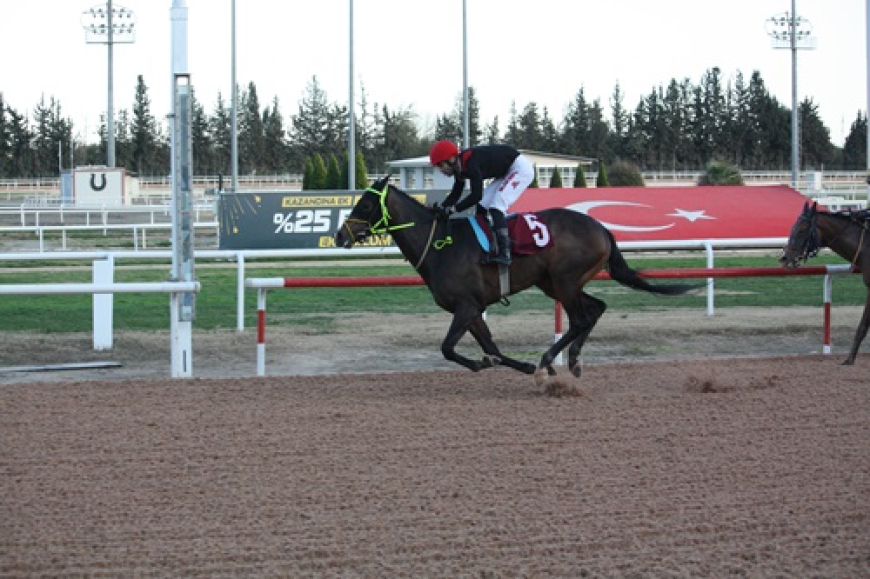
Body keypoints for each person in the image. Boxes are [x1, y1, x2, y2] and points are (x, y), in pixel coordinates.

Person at [428, 140, 535, 266]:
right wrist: (442, 208)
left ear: (451, 159)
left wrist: (453, 209)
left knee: (496, 207)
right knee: (482, 206)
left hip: (519, 169)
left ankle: (505, 254)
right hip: (505, 171)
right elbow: (456, 193)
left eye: (440, 165)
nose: (441, 170)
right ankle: (486, 246)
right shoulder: (460, 166)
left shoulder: (470, 163)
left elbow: (476, 195)